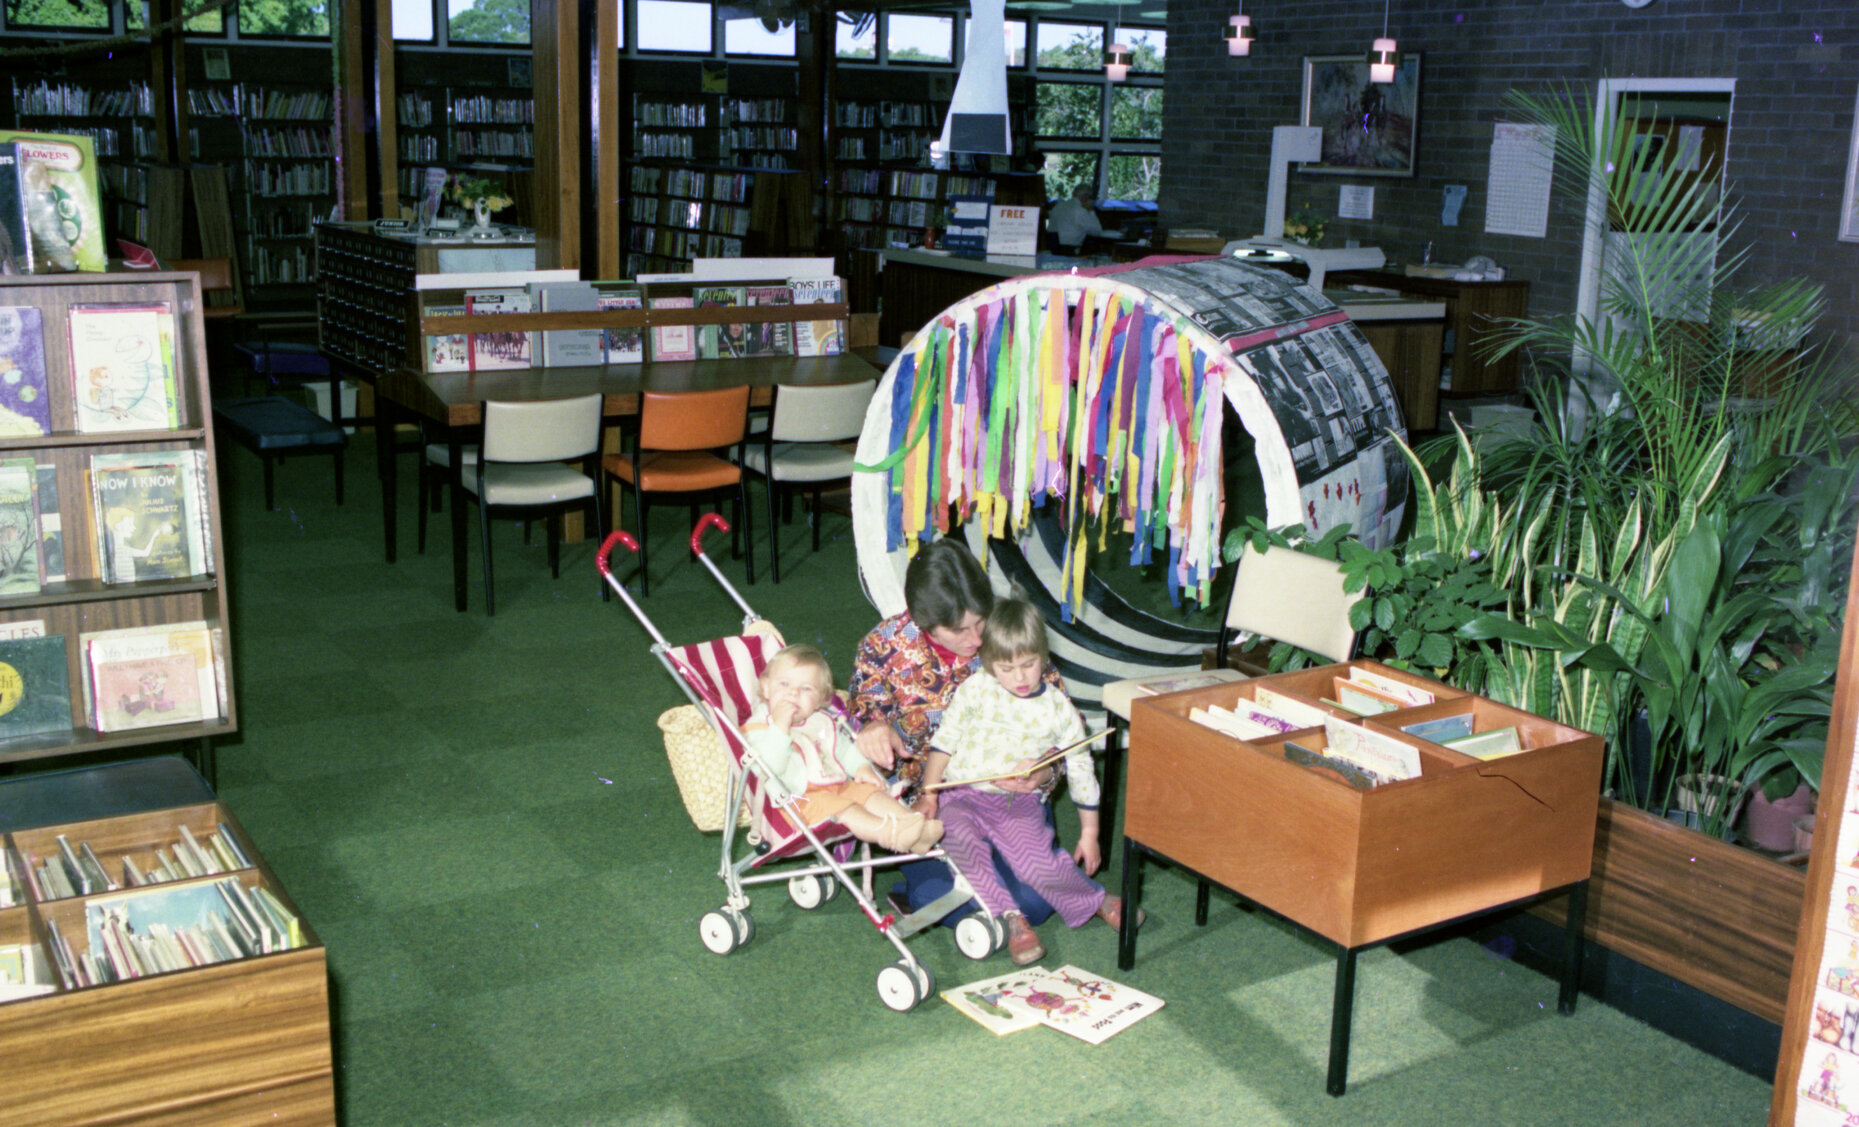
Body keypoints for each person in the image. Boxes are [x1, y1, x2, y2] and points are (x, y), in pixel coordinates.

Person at [848, 537, 1060, 924]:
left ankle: (972, 890)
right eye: (959, 630)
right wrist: (873, 729)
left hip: (1006, 800)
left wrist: (1044, 770)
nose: (977, 640)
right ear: (922, 620)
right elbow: (862, 713)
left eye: (980, 622)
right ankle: (944, 887)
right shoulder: (883, 646)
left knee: (1035, 903)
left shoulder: (1010, 634)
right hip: (927, 813)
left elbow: (1058, 728)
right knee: (943, 897)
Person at [919, 598, 1131, 964]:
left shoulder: (1057, 708)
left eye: (1029, 665)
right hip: (961, 796)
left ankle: (1098, 901)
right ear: (989, 663)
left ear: (1043, 655)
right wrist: (930, 795)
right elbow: (944, 743)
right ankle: (1012, 921)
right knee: (964, 848)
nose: (1019, 678)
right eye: (1006, 668)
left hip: (1016, 803)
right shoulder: (975, 689)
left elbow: (1081, 769)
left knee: (1037, 865)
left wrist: (1089, 833)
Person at [743, 644, 944, 854]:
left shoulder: (819, 721)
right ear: (766, 688)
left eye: (806, 689)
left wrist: (861, 769)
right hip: (797, 801)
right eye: (784, 684)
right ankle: (891, 836)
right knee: (846, 809)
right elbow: (766, 769)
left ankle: (913, 826)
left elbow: (844, 750)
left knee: (870, 792)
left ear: (820, 700)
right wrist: (779, 729)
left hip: (836, 785)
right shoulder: (758, 728)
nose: (793, 693)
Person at [1047, 185, 1113, 252]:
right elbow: (1097, 231)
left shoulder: (1058, 206)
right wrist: (1091, 211)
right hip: (1069, 250)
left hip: (1052, 248)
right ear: (1085, 196)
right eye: (1090, 197)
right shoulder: (1080, 210)